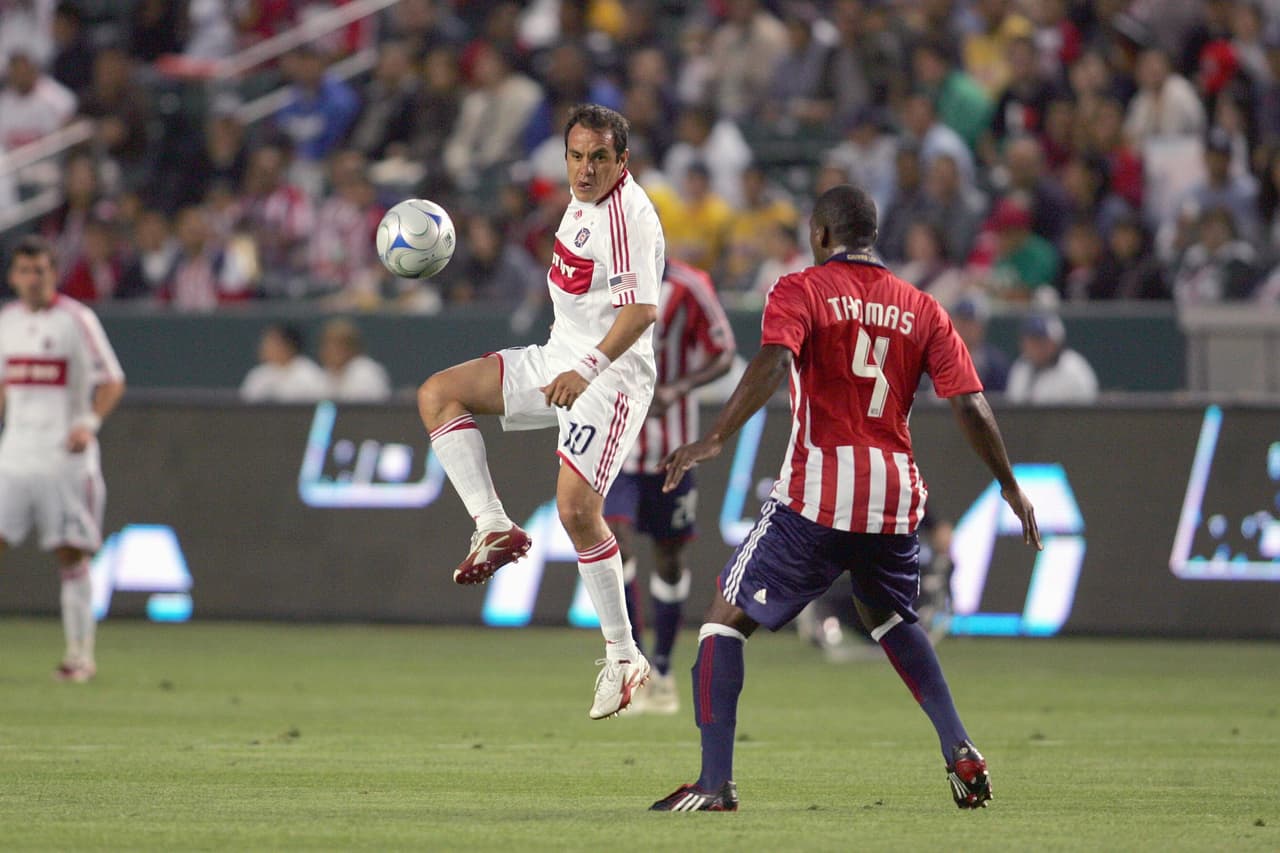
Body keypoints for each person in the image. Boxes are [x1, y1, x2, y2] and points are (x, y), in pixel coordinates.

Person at [650, 185, 1041, 812]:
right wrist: (1009, 484)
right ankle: (959, 749)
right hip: (894, 492)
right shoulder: (922, 307)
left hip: (820, 488)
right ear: (873, 236)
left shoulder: (800, 289)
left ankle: (715, 783)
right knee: (889, 616)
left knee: (722, 625)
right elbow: (968, 401)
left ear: (821, 235)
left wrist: (715, 437)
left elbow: (776, 362)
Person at [417, 104, 665, 720]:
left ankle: (624, 655)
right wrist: (566, 361)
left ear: (621, 161)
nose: (584, 169)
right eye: (576, 156)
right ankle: (494, 525)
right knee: (437, 394)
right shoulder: (580, 204)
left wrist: (586, 370)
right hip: (558, 357)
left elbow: (641, 312)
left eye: (598, 158)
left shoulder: (629, 213)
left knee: (577, 510)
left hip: (612, 378)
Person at [604, 258, 737, 715]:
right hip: (615, 447)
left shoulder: (689, 285)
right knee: (614, 548)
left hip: (672, 451)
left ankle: (662, 667)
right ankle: (633, 665)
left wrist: (677, 389)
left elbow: (724, 352)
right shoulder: (601, 278)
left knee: (670, 558)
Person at [0, 236, 126, 683]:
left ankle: (79, 656)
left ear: (54, 274)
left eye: (42, 271)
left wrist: (88, 422)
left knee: (71, 554)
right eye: (25, 271)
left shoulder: (77, 319)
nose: (33, 279)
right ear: (13, 276)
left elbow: (111, 380)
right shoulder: (6, 322)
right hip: (14, 454)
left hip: (63, 458)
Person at [1006, 313, 1099, 404]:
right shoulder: (1020, 367)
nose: (1033, 347)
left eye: (1040, 341)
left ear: (1055, 342)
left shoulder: (1073, 370)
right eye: (1029, 340)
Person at [239, 323, 329, 403]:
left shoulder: (308, 374)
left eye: (272, 343)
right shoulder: (258, 374)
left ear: (288, 345)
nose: (265, 347)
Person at [318, 319, 391, 402]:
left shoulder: (365, 372)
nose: (328, 351)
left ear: (351, 348)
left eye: (336, 346)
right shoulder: (327, 374)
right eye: (326, 346)